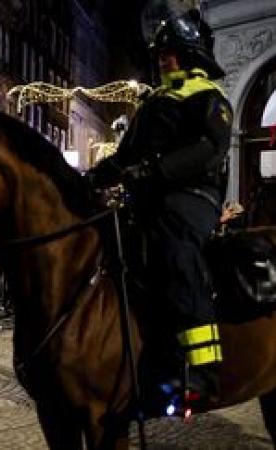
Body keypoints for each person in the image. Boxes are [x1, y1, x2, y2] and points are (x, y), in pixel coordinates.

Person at [85, 10, 232, 407]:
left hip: (192, 198)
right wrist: (88, 181)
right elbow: (124, 156)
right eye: (162, 53)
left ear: (191, 55)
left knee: (177, 253)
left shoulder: (210, 98)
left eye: (171, 53)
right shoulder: (154, 103)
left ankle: (203, 370)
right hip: (148, 200)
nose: (162, 59)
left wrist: (154, 170)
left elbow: (208, 150)